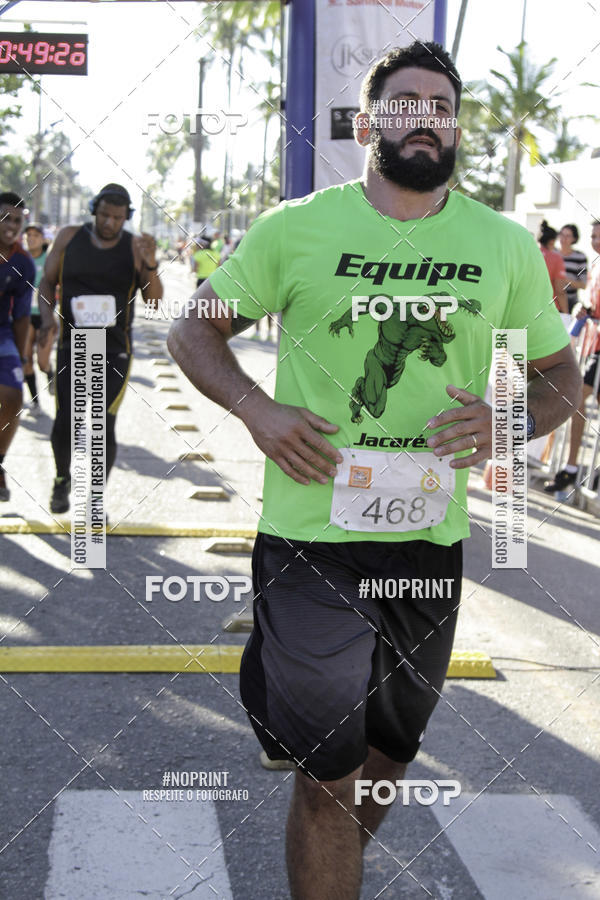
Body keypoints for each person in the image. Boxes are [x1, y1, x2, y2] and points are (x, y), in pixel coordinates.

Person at [168, 42, 581, 900]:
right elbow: (192, 329)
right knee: (328, 780)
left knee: (385, 762)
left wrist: (506, 421)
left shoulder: (502, 244)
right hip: (313, 543)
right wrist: (257, 408)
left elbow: (560, 379)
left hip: (429, 548)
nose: (425, 118)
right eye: (406, 103)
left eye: (441, 105)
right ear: (369, 124)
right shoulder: (295, 228)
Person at [38, 183, 163, 514]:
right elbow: (48, 281)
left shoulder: (135, 248)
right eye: (105, 215)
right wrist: (48, 318)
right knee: (67, 420)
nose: (109, 223)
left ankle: (94, 497)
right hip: (73, 345)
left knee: (103, 424)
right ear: (94, 210)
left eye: (117, 218)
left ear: (126, 218)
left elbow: (154, 301)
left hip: (115, 350)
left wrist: (150, 264)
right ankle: (63, 479)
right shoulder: (68, 238)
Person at [544, 220, 600, 494]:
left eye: (599, 236)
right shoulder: (595, 264)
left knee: (578, 401)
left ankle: (575, 468)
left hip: (597, 348)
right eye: (593, 236)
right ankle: (572, 467)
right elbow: (589, 301)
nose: (595, 241)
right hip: (593, 345)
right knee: (578, 403)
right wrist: (583, 310)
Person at [0, 192, 35, 501]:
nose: (11, 225)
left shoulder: (23, 262)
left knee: (12, 396)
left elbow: (22, 316)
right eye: (5, 218)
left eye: (16, 220)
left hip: (3, 335)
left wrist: (25, 358)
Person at [22, 223, 55, 413]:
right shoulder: (20, 259)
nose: (31, 238)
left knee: (42, 362)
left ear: (42, 239)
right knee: (26, 359)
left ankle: (50, 373)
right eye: (28, 236)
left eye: (35, 235)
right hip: (25, 316)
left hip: (45, 317)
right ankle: (35, 401)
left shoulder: (50, 258)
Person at [538, 219, 568, 314]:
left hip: (527, 308)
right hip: (549, 310)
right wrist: (566, 313)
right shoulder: (556, 258)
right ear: (552, 241)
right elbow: (560, 291)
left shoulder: (528, 254)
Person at [558, 223, 588, 314]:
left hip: (571, 301)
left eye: (568, 236)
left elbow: (583, 285)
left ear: (574, 238)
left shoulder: (580, 257)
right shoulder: (553, 254)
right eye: (562, 235)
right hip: (553, 300)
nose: (564, 239)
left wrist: (564, 280)